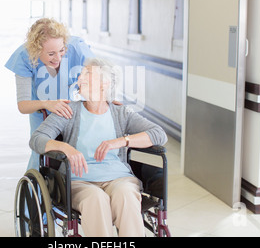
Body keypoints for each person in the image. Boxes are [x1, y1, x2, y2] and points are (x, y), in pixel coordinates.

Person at [29, 58, 167, 237]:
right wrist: (65, 148)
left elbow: (159, 134)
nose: (80, 78)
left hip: (119, 179)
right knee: (96, 199)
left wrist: (119, 141)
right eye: (81, 74)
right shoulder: (69, 111)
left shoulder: (121, 113)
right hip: (79, 181)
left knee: (126, 195)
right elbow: (37, 139)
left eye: (87, 73)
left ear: (104, 83)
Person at [5, 18, 94, 170]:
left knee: (80, 147)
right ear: (36, 50)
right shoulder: (23, 57)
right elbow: (23, 105)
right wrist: (47, 104)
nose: (58, 58)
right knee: (42, 153)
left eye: (61, 50)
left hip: (71, 109)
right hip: (41, 112)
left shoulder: (78, 48)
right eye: (51, 54)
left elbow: (99, 81)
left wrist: (108, 100)